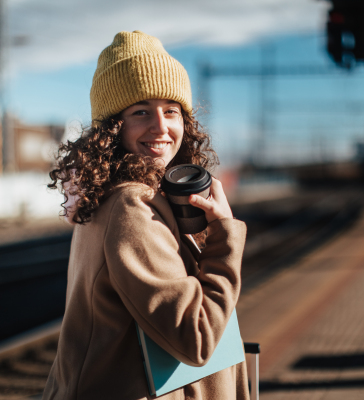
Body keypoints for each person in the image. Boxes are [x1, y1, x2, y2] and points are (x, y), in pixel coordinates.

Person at [43, 31, 249, 400]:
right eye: (141, 111)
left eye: (171, 110)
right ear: (111, 128)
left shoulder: (129, 197)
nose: (161, 127)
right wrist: (224, 235)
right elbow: (195, 338)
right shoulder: (132, 206)